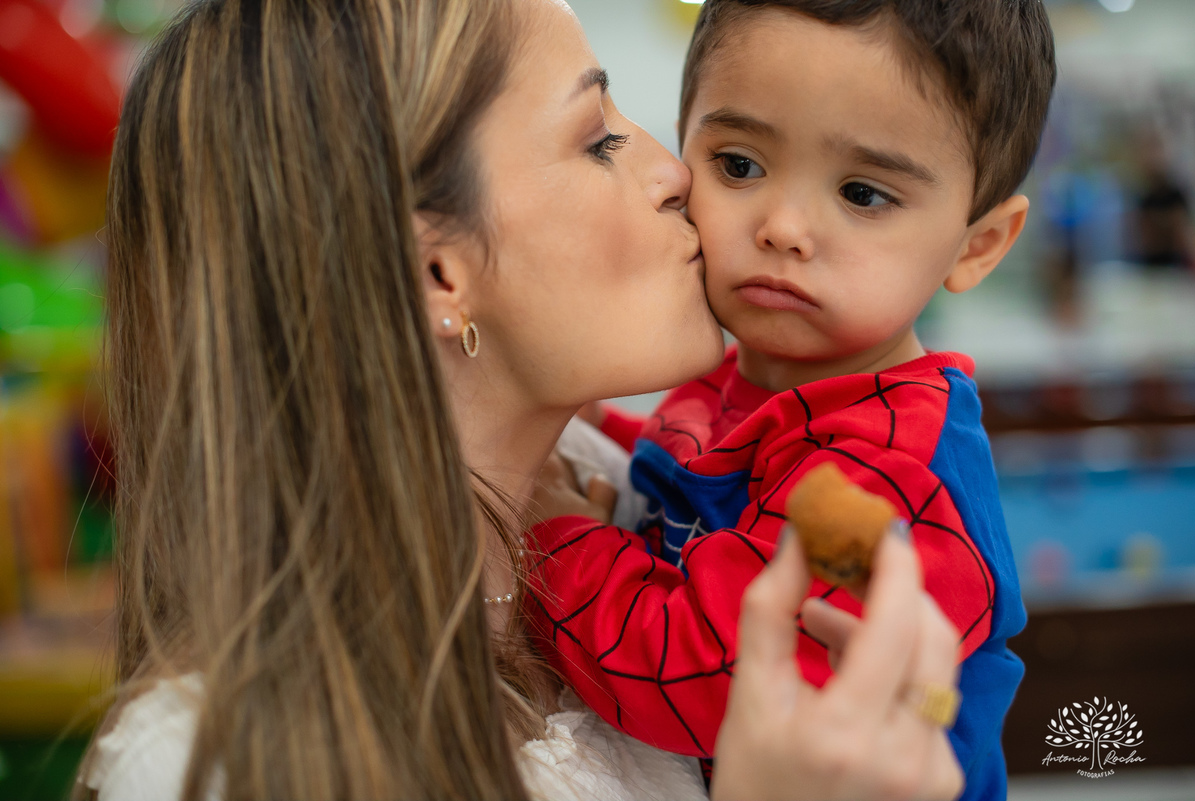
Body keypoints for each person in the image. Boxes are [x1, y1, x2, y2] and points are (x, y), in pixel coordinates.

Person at [75, 0, 964, 798]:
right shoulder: (207, 760)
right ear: (438, 272)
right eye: (599, 138)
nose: (675, 172)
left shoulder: (632, 489)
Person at [523, 1, 1056, 799]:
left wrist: (558, 537)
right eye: (739, 165)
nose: (783, 227)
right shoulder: (751, 375)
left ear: (977, 244)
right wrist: (584, 421)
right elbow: (700, 471)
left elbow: (709, 679)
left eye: (863, 193)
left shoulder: (888, 475)